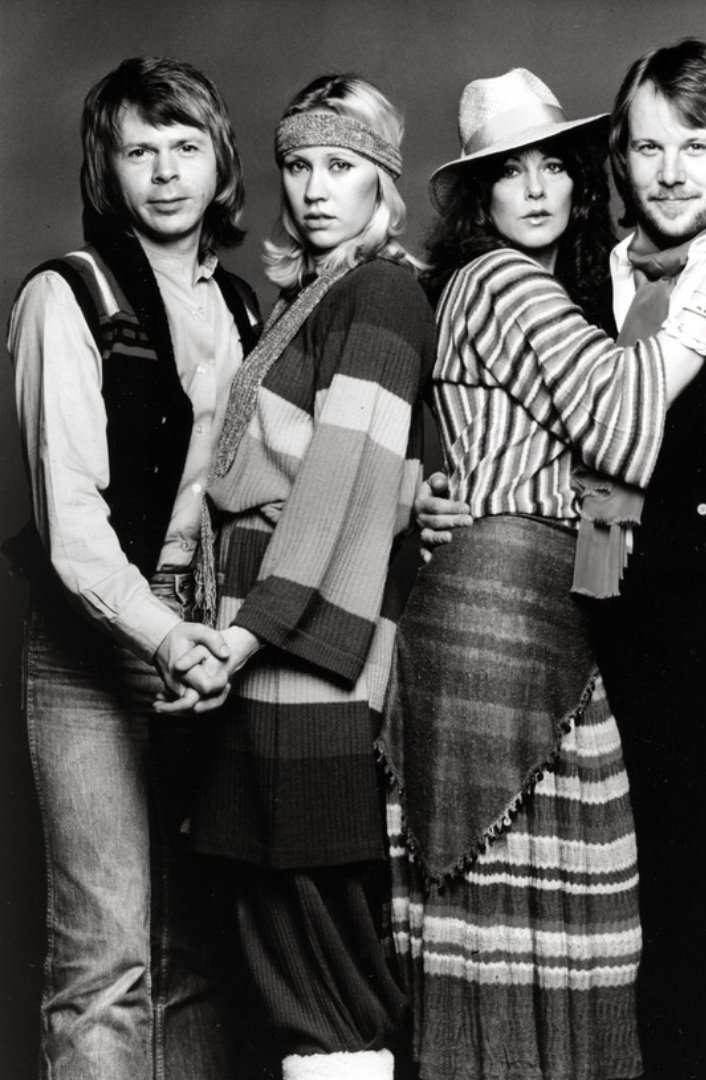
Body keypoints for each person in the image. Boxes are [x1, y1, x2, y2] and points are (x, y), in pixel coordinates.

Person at [417, 40, 706, 1080]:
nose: (666, 172)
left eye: (694, 145)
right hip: (606, 629)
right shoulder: (592, 276)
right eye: (646, 146)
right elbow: (577, 447)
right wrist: (442, 499)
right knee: (628, 925)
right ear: (616, 158)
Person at [155, 74, 435, 1080]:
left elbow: (344, 489)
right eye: (300, 165)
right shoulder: (305, 296)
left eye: (343, 167)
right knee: (275, 928)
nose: (316, 189)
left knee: (322, 945)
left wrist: (243, 635)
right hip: (258, 631)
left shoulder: (380, 292)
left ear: (381, 180)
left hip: (304, 641)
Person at [6, 57, 260, 1079]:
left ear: (219, 162)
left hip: (209, 632)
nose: (164, 173)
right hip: (98, 639)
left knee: (194, 952)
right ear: (106, 169)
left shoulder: (243, 308)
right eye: (138, 150)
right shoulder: (67, 295)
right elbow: (70, 528)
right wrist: (167, 637)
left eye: (185, 146)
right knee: (105, 961)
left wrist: (221, 637)